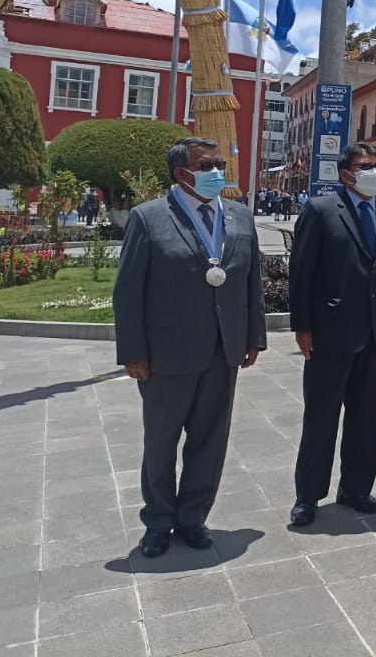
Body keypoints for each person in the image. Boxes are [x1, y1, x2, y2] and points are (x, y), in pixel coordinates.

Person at [113, 137, 266, 557]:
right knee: (161, 443)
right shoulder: (149, 218)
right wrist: (132, 351)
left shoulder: (239, 216)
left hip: (223, 349)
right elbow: (127, 292)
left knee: (210, 440)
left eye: (219, 163)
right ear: (182, 173)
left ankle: (193, 516)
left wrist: (253, 336)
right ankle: (159, 521)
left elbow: (251, 283)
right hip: (167, 353)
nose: (218, 170)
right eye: (207, 165)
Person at [288, 142, 376, 526]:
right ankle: (308, 495)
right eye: (365, 165)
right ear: (345, 174)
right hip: (331, 332)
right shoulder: (321, 210)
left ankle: (356, 488)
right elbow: (301, 272)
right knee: (321, 418)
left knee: (367, 417)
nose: (374, 171)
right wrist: (302, 326)